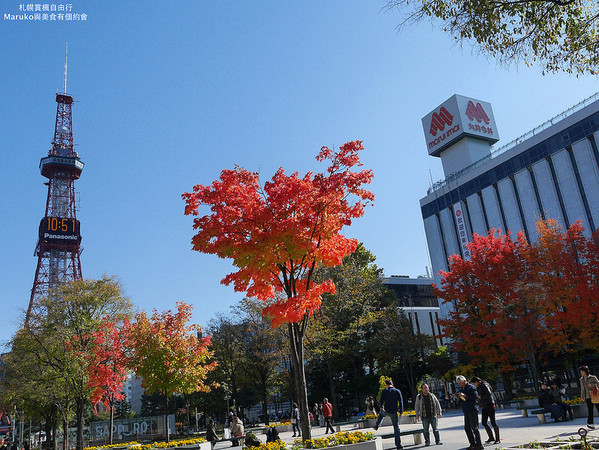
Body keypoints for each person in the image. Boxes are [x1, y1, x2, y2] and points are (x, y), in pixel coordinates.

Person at [374, 379, 404, 450]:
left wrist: (381, 407)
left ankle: (377, 425)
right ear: (392, 384)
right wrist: (401, 412)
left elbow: (381, 400)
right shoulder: (397, 391)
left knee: (381, 414)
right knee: (396, 428)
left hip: (387, 411)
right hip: (394, 412)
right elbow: (401, 401)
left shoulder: (384, 391)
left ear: (386, 385)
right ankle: (398, 445)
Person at [455, 375, 482, 450]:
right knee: (467, 428)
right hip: (466, 409)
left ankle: (479, 444)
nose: (460, 385)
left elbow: (475, 397)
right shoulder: (461, 388)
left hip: (472, 409)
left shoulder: (471, 387)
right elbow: (463, 400)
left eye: (460, 383)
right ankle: (472, 444)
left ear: (464, 381)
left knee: (474, 427)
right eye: (458, 383)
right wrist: (458, 398)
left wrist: (465, 395)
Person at [471, 377, 500, 444]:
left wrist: (481, 397)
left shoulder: (484, 385)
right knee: (484, 422)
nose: (474, 385)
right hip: (484, 406)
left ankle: (497, 439)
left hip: (490, 404)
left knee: (493, 422)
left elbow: (489, 394)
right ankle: (491, 437)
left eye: (473, 383)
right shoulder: (478, 387)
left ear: (477, 382)